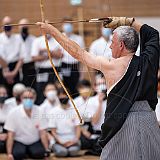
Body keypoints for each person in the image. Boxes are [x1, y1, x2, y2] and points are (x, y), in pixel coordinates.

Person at [37, 16, 160, 160]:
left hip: (122, 122)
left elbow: (79, 53)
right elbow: (153, 34)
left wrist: (52, 31)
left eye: (112, 43)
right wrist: (129, 21)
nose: (109, 46)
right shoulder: (149, 59)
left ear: (121, 45)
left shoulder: (111, 65)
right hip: (149, 120)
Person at [4, 88, 49, 160]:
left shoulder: (40, 111)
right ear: (21, 98)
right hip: (19, 141)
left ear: (35, 98)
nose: (28, 100)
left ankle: (29, 152)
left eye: (31, 98)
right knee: (18, 154)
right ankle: (26, 152)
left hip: (34, 141)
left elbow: (43, 133)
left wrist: (47, 151)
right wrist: (9, 153)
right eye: (25, 97)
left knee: (40, 154)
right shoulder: (13, 112)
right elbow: (10, 135)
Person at [31, 24, 63, 104]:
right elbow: (34, 57)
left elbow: (60, 55)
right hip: (42, 70)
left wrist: (46, 50)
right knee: (41, 91)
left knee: (58, 90)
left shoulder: (57, 40)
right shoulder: (37, 41)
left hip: (55, 69)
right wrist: (51, 55)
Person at [48, 88, 81, 157]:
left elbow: (78, 128)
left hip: (72, 139)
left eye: (64, 95)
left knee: (73, 152)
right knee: (62, 152)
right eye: (60, 95)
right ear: (57, 97)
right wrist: (61, 142)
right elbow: (53, 131)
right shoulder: (53, 111)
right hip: (59, 140)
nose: (62, 97)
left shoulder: (75, 110)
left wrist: (75, 140)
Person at [59, 17, 85, 97]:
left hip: (75, 65)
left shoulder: (78, 38)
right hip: (63, 65)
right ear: (62, 25)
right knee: (64, 88)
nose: (68, 25)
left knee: (75, 89)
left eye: (70, 23)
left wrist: (82, 72)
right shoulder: (59, 37)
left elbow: (83, 55)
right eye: (66, 23)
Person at [0, 16, 23, 96]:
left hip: (15, 68)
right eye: (6, 24)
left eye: (9, 24)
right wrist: (5, 71)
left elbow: (21, 58)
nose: (8, 26)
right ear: (2, 25)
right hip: (2, 69)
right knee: (3, 92)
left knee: (16, 92)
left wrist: (13, 73)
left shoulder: (18, 38)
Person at [17, 18, 36, 88]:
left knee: (31, 86)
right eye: (22, 25)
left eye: (26, 25)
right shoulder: (15, 38)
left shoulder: (33, 39)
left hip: (30, 66)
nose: (24, 27)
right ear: (19, 27)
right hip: (17, 66)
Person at [0, 85, 9, 153]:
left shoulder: (11, 108)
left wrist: (7, 134)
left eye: (4, 94)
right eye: (0, 94)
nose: (2, 96)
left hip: (8, 135)